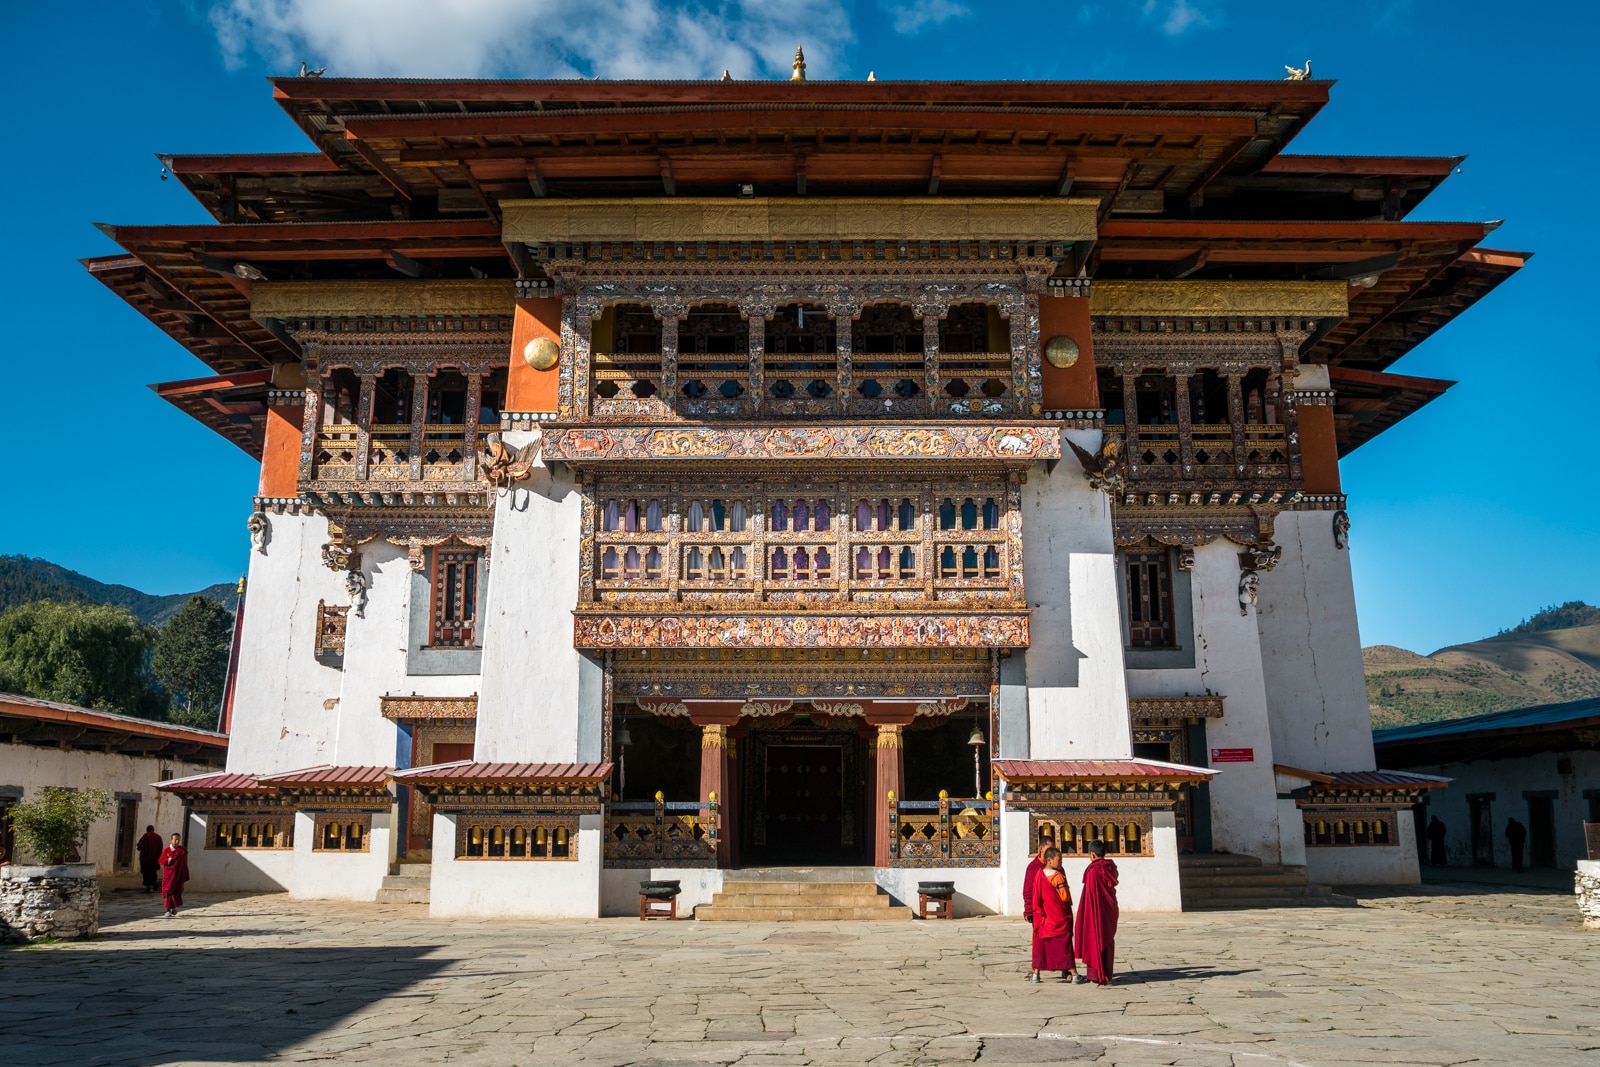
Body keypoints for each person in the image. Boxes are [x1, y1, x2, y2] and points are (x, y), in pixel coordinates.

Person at [1025, 846, 1080, 983]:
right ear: (1049, 860)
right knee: (1064, 946)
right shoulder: (1058, 876)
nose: (1061, 862)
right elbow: (1065, 897)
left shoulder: (1039, 875)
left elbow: (1035, 895)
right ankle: (1074, 974)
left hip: (1044, 919)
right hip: (1058, 917)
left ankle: (1036, 974)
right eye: (1059, 859)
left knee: (1042, 946)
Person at [1075, 840, 1120, 986]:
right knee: (1107, 941)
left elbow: (1091, 896)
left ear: (1092, 854)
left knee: (1095, 940)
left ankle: (1096, 976)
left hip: (1096, 912)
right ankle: (1107, 975)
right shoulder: (1110, 868)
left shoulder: (1094, 871)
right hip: (1109, 910)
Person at [1021, 834, 1054, 979]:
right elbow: (1028, 891)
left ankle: (1065, 969)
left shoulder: (1055, 864)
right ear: (1041, 848)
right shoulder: (1033, 867)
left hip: (1054, 911)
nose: (1051, 851)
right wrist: (1028, 910)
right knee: (1039, 941)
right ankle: (1036, 970)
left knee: (1059, 940)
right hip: (1039, 911)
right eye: (1049, 848)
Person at [158, 832, 190, 918]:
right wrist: (168, 860)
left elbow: (184, 863)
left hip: (178, 875)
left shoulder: (182, 850)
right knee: (169, 892)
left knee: (176, 892)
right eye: (175, 840)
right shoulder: (167, 850)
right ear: (171, 840)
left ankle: (173, 907)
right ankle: (168, 910)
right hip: (169, 875)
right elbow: (160, 860)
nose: (177, 841)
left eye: (178, 840)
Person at [135, 824, 164, 894]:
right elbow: (160, 847)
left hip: (146, 859)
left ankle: (148, 887)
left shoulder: (145, 836)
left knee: (146, 873)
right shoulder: (158, 837)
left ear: (147, 830)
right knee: (153, 872)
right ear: (153, 830)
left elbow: (139, 846)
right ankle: (154, 884)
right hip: (155, 859)